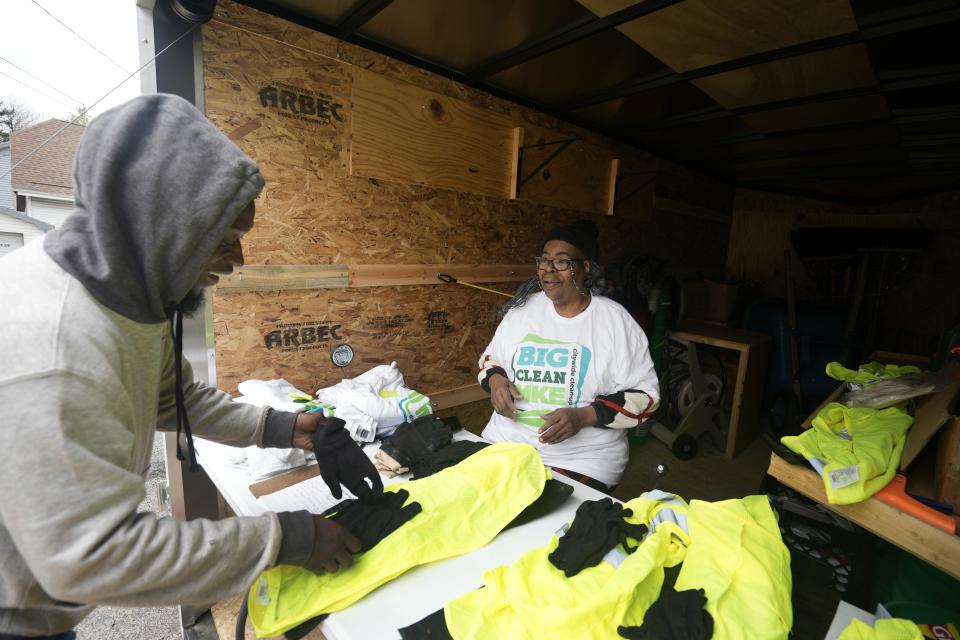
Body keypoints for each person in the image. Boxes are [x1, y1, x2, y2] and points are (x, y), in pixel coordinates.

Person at [0, 94, 382, 639]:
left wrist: (279, 427)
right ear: (162, 229)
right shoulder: (58, 351)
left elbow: (171, 397)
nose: (238, 262)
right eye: (223, 241)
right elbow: (93, 558)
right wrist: (285, 540)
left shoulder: (128, 291)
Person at [478, 220, 660, 493]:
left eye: (562, 262)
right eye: (544, 260)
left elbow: (647, 398)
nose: (549, 269)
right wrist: (495, 382)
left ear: (585, 267)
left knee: (543, 519)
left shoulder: (613, 320)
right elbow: (490, 359)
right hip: (507, 440)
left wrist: (584, 417)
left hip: (583, 458)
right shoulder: (523, 310)